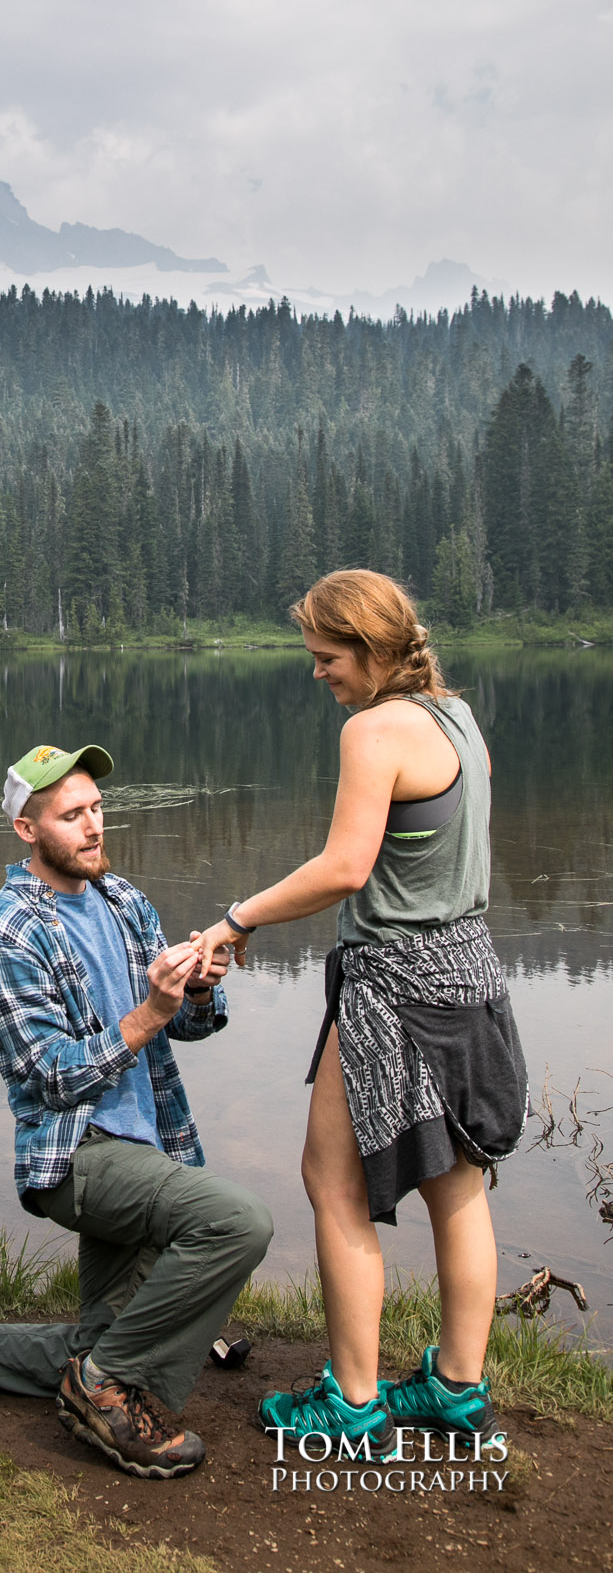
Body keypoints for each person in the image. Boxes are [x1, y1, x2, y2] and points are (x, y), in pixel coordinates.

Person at [0, 741, 273, 1481]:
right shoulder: (4, 933)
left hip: (149, 1143)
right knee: (236, 1223)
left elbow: (191, 1027)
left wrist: (196, 989)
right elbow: (50, 1077)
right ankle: (104, 1392)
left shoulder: (124, 900)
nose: (94, 826)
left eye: (97, 809)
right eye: (72, 815)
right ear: (27, 831)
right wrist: (148, 1011)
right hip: (77, 1157)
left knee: (99, 1340)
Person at [195, 569, 527, 1456]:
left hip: (395, 988)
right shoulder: (459, 719)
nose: (317, 672)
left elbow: (345, 868)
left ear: (374, 650)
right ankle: (457, 1391)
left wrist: (236, 918)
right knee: (457, 1187)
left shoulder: (372, 730)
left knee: (332, 1182)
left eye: (326, 656)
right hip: (471, 976)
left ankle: (351, 1408)